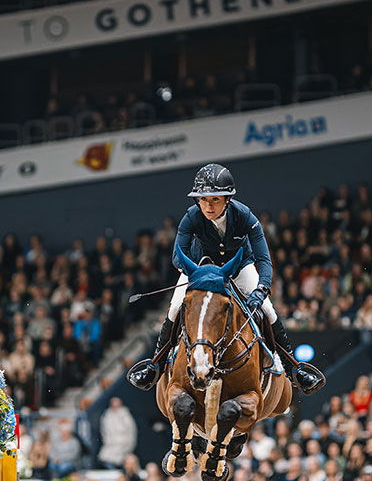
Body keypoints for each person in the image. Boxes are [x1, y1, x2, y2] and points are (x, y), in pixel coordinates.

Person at [128, 163, 324, 394]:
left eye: (214, 200)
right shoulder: (191, 217)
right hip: (199, 269)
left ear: (227, 199)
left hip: (239, 268)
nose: (208, 206)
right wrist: (200, 272)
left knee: (268, 311)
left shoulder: (245, 217)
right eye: (203, 200)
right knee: (174, 308)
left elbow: (264, 261)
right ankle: (155, 365)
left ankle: (293, 369)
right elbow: (177, 257)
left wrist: (261, 289)